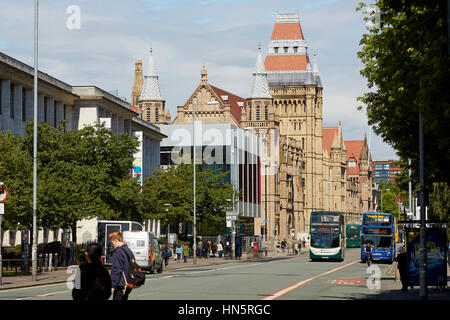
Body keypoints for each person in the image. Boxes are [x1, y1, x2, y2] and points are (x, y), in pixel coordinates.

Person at [110, 232, 135, 301]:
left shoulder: (119, 252)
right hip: (128, 282)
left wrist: (113, 286)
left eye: (113, 243)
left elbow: (117, 270)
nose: (113, 245)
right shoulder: (129, 251)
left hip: (120, 284)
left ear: (116, 241)